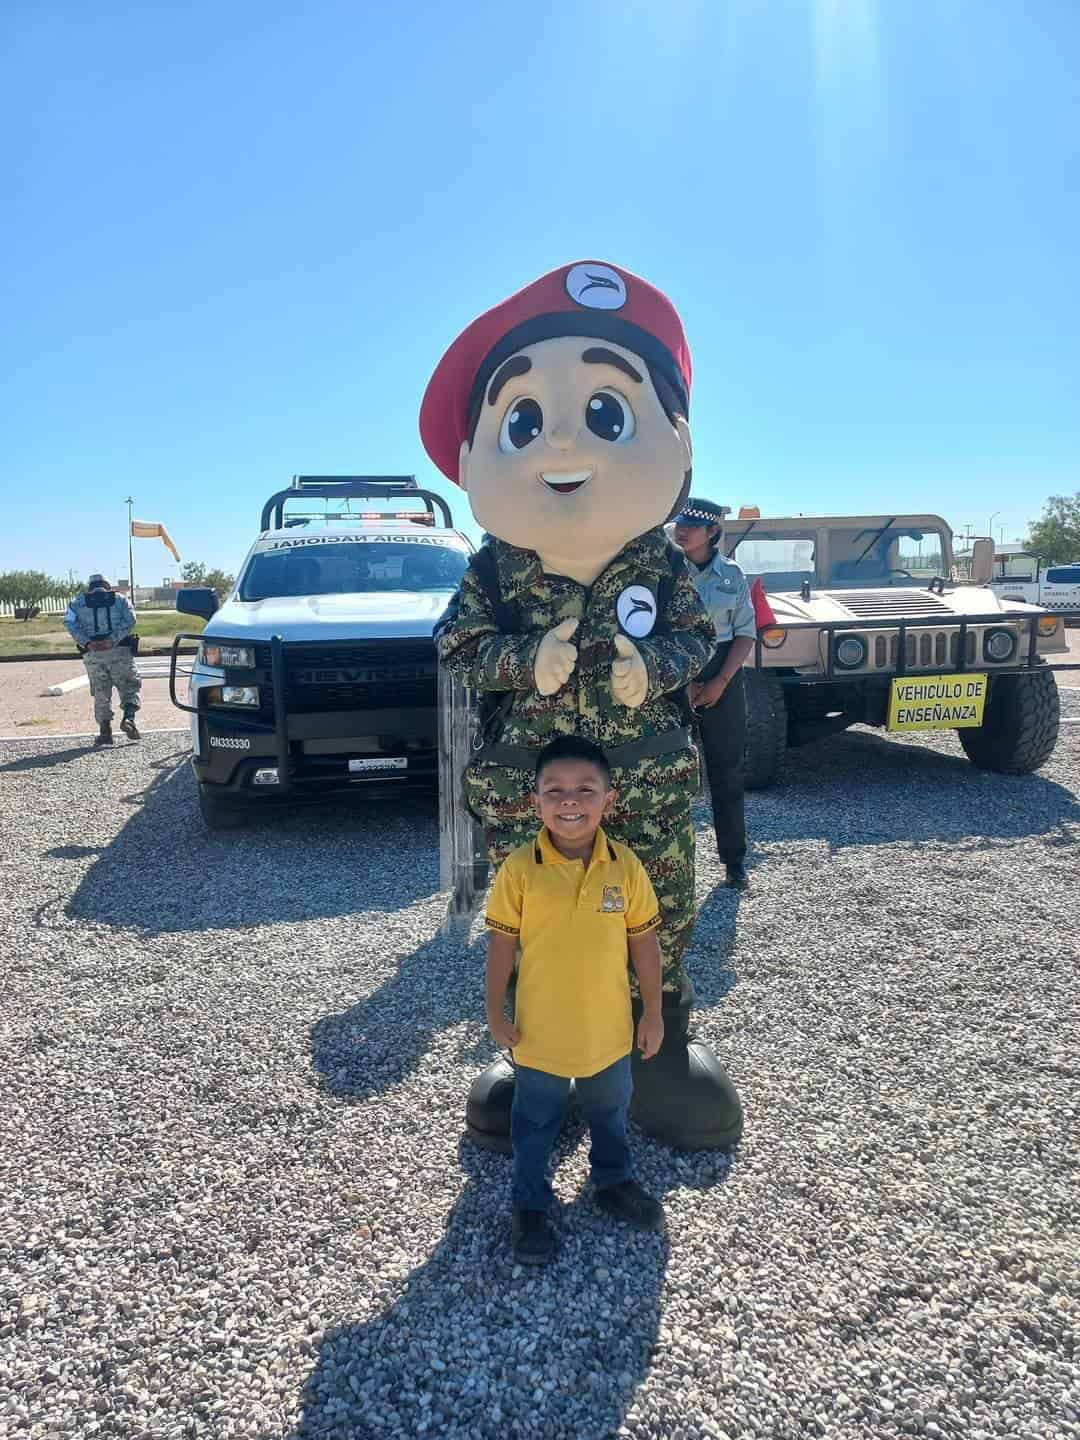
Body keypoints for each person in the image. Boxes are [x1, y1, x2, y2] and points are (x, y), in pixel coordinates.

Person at [425, 258, 744, 1153]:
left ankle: (659, 1050)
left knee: (657, 907)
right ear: (469, 460)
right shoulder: (492, 568)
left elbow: (697, 639)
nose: (563, 445)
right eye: (523, 420)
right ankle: (538, 1061)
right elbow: (454, 647)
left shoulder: (663, 563)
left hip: (641, 779)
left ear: (677, 442)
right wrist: (529, 659)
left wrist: (659, 666)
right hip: (537, 788)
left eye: (608, 412)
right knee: (535, 914)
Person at [485, 735, 665, 1265]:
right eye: (554, 790)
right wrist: (496, 1011)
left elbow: (644, 943)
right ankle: (531, 1204)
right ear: (535, 800)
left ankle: (613, 1182)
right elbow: (501, 945)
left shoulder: (626, 867)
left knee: (611, 1113)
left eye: (585, 789)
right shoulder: (519, 869)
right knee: (535, 1121)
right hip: (538, 1034)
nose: (570, 800)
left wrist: (653, 1012)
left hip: (608, 1033)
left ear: (609, 800)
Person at [672, 500, 756, 889]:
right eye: (680, 523)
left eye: (692, 525)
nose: (682, 530)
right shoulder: (665, 572)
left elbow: (745, 633)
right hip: (674, 673)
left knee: (726, 769)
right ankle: (672, 863)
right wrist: (683, 680)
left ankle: (734, 861)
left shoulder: (733, 575)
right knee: (671, 769)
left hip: (722, 670)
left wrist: (719, 681)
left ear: (712, 533)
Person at [63, 574, 141, 746]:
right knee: (129, 686)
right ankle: (129, 719)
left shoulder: (76, 603)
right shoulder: (120, 599)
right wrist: (113, 639)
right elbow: (131, 619)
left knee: (100, 693)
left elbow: (69, 623)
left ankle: (105, 732)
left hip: (93, 656)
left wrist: (87, 642)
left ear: (90, 587)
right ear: (106, 585)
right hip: (119, 651)